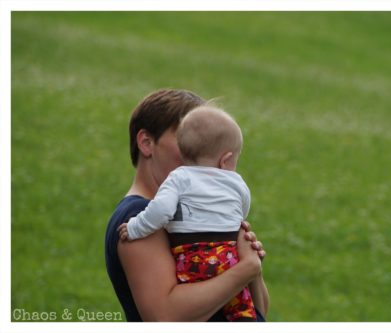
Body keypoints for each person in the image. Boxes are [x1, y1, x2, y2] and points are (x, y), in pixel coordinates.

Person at [104, 89, 269, 321]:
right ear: (146, 143)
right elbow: (165, 316)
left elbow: (260, 311)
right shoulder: (138, 217)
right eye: (187, 138)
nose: (202, 151)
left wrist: (251, 268)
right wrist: (244, 270)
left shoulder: (203, 214)